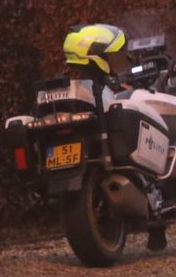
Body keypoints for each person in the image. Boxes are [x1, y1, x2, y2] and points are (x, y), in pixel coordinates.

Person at [61, 22, 169, 252]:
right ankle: (154, 218)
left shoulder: (70, 88)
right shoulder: (97, 90)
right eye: (111, 55)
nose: (116, 59)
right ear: (96, 56)